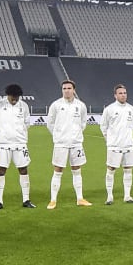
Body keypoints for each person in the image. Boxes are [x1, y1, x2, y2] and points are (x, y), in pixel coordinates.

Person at [0, 84, 35, 210]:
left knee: (23, 169)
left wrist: (20, 134)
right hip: (3, 144)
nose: (15, 100)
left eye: (17, 98)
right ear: (8, 95)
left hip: (20, 144)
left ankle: (26, 200)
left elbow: (27, 122)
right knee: (1, 171)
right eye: (12, 98)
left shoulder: (24, 105)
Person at [46, 79, 90, 209]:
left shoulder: (81, 105)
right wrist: (58, 136)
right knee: (58, 170)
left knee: (77, 170)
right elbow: (50, 123)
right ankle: (53, 200)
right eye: (64, 88)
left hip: (76, 143)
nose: (66, 91)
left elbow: (83, 123)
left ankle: (80, 198)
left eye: (69, 88)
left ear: (74, 90)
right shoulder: (56, 105)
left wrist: (76, 135)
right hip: (61, 144)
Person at [100, 84, 133, 204]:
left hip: (128, 145)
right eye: (120, 93)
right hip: (114, 145)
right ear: (115, 95)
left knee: (128, 170)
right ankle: (109, 196)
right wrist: (110, 140)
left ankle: (127, 196)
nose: (123, 95)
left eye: (125, 93)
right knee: (111, 169)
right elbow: (103, 126)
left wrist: (127, 137)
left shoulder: (132, 109)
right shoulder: (109, 109)